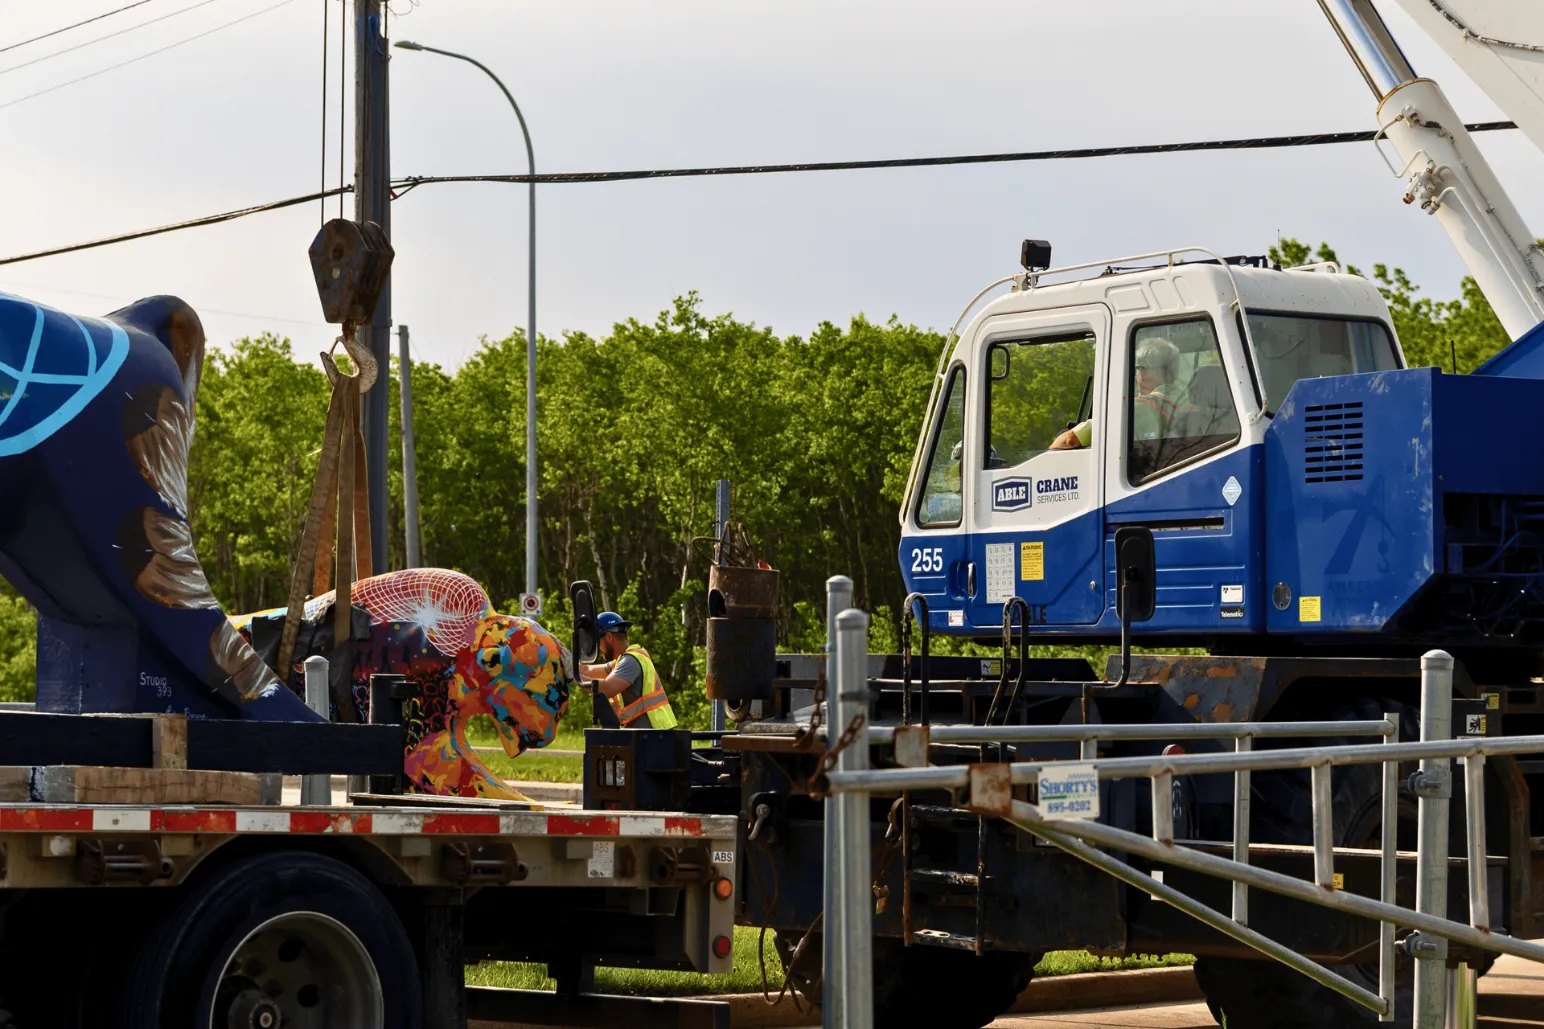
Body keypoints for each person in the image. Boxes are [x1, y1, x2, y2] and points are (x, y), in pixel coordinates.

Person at [1050, 337, 1186, 450]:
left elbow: (1068, 441)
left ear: (1150, 371)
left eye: (1138, 368)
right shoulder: (1189, 402)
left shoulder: (1137, 409)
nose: (1137, 374)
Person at [579, 611, 679, 729]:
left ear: (609, 637)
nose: (599, 649)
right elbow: (587, 669)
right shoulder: (625, 660)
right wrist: (564, 661)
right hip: (648, 735)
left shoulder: (630, 661)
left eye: (598, 642)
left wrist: (573, 676)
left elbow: (607, 688)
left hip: (652, 737)